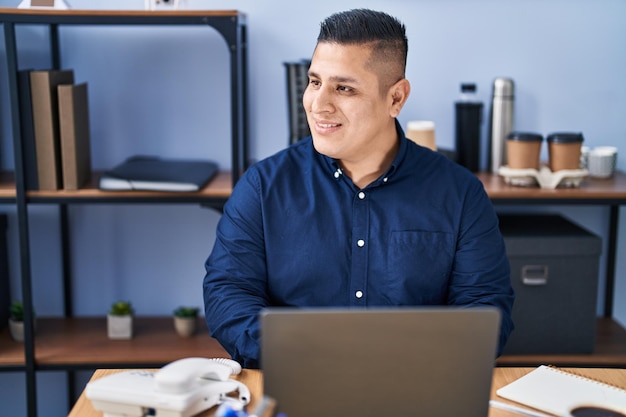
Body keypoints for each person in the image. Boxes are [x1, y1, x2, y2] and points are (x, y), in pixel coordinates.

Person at [203, 8, 514, 369]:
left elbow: (484, 309)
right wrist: (306, 358)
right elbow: (228, 295)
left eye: (344, 88)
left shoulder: (460, 194)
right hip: (296, 380)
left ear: (396, 98)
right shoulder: (262, 186)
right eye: (315, 81)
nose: (318, 104)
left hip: (415, 385)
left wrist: (401, 362)